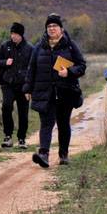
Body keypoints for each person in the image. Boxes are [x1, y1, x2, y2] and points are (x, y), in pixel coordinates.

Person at [23, 13, 86, 167]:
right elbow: (31, 69)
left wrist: (69, 72)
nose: (51, 29)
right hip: (45, 92)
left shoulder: (70, 45)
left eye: (54, 26)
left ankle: (63, 155)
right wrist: (27, 88)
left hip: (66, 92)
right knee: (46, 123)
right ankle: (43, 154)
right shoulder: (39, 47)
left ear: (61, 29)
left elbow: (82, 66)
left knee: (63, 124)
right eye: (49, 26)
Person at [0, 22, 33, 148]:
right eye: (12, 34)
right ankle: (8, 136)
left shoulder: (29, 48)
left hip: (23, 85)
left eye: (16, 34)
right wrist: (5, 62)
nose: (13, 36)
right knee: (6, 106)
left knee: (23, 112)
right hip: (7, 83)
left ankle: (22, 139)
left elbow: (33, 67)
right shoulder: (5, 46)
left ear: (21, 35)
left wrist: (30, 86)